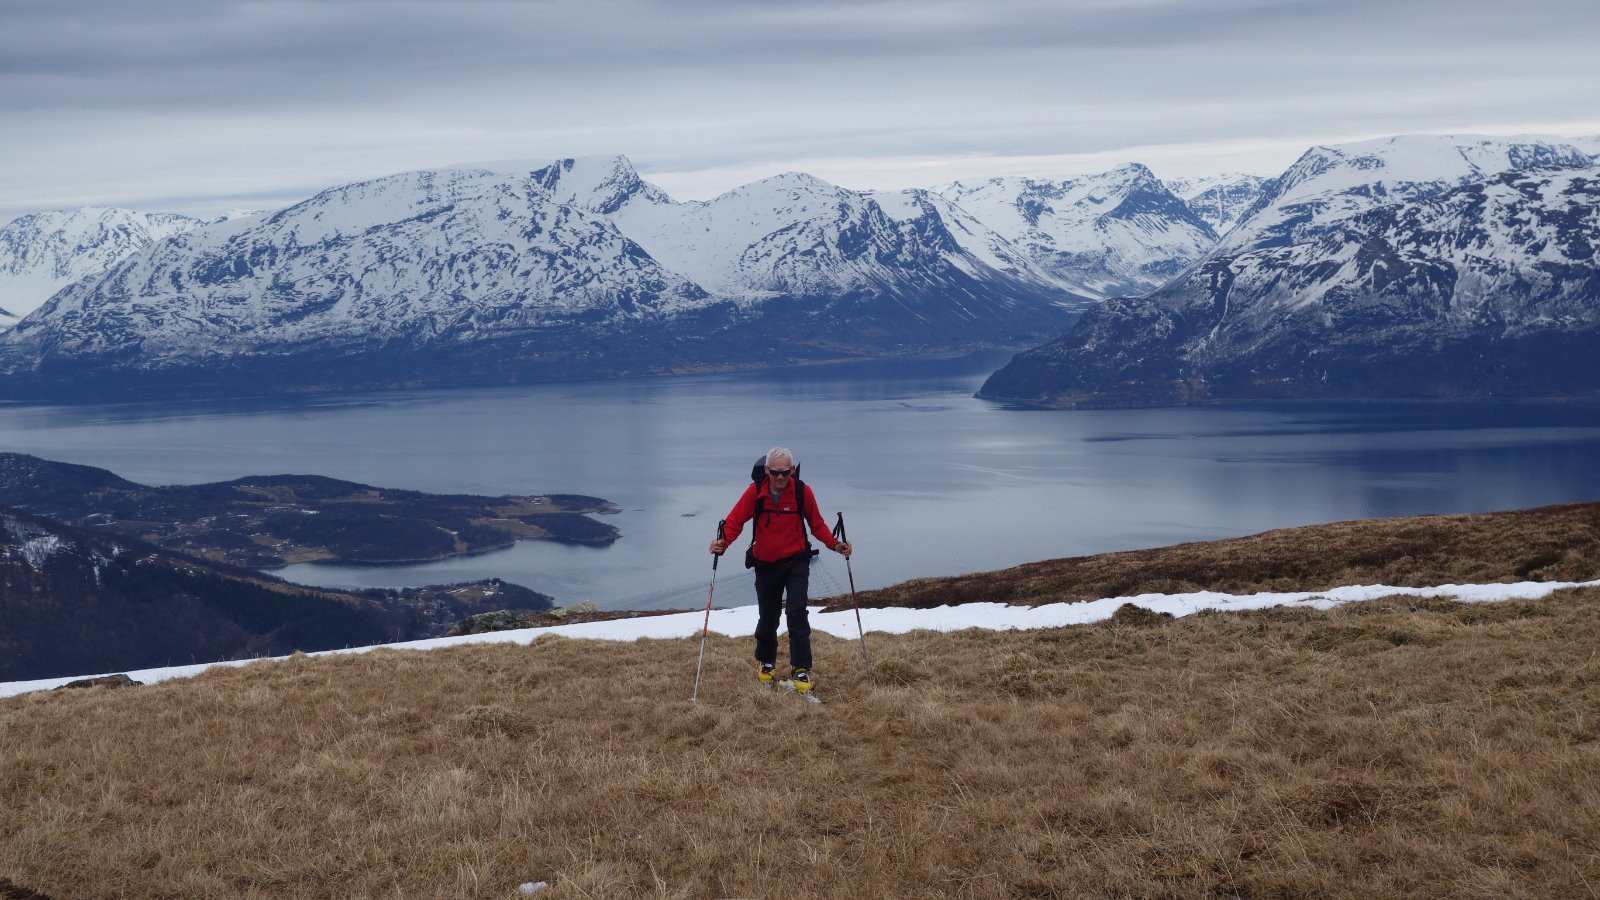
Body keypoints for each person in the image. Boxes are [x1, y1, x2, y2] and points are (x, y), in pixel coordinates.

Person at [709, 447, 851, 693]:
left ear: (792, 470)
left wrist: (835, 545)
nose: (780, 477)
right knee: (768, 618)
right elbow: (734, 522)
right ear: (767, 471)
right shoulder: (755, 492)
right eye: (775, 472)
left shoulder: (801, 491)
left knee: (797, 614)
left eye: (786, 472)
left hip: (796, 562)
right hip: (765, 565)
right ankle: (766, 663)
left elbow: (816, 524)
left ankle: (800, 669)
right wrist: (721, 545)